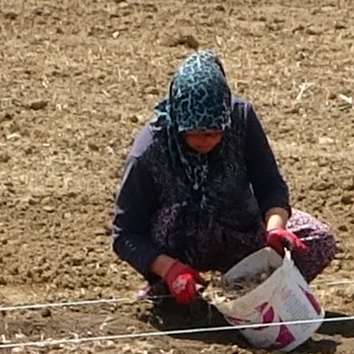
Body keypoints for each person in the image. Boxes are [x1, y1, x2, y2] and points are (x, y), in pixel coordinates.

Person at [109, 50, 338, 316]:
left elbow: (270, 184)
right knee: (174, 222)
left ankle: (250, 294)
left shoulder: (241, 119)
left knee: (318, 240)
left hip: (240, 226)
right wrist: (169, 269)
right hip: (181, 245)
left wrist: (275, 227)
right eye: (196, 133)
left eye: (215, 133)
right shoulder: (148, 152)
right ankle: (173, 290)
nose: (206, 141)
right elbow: (126, 234)